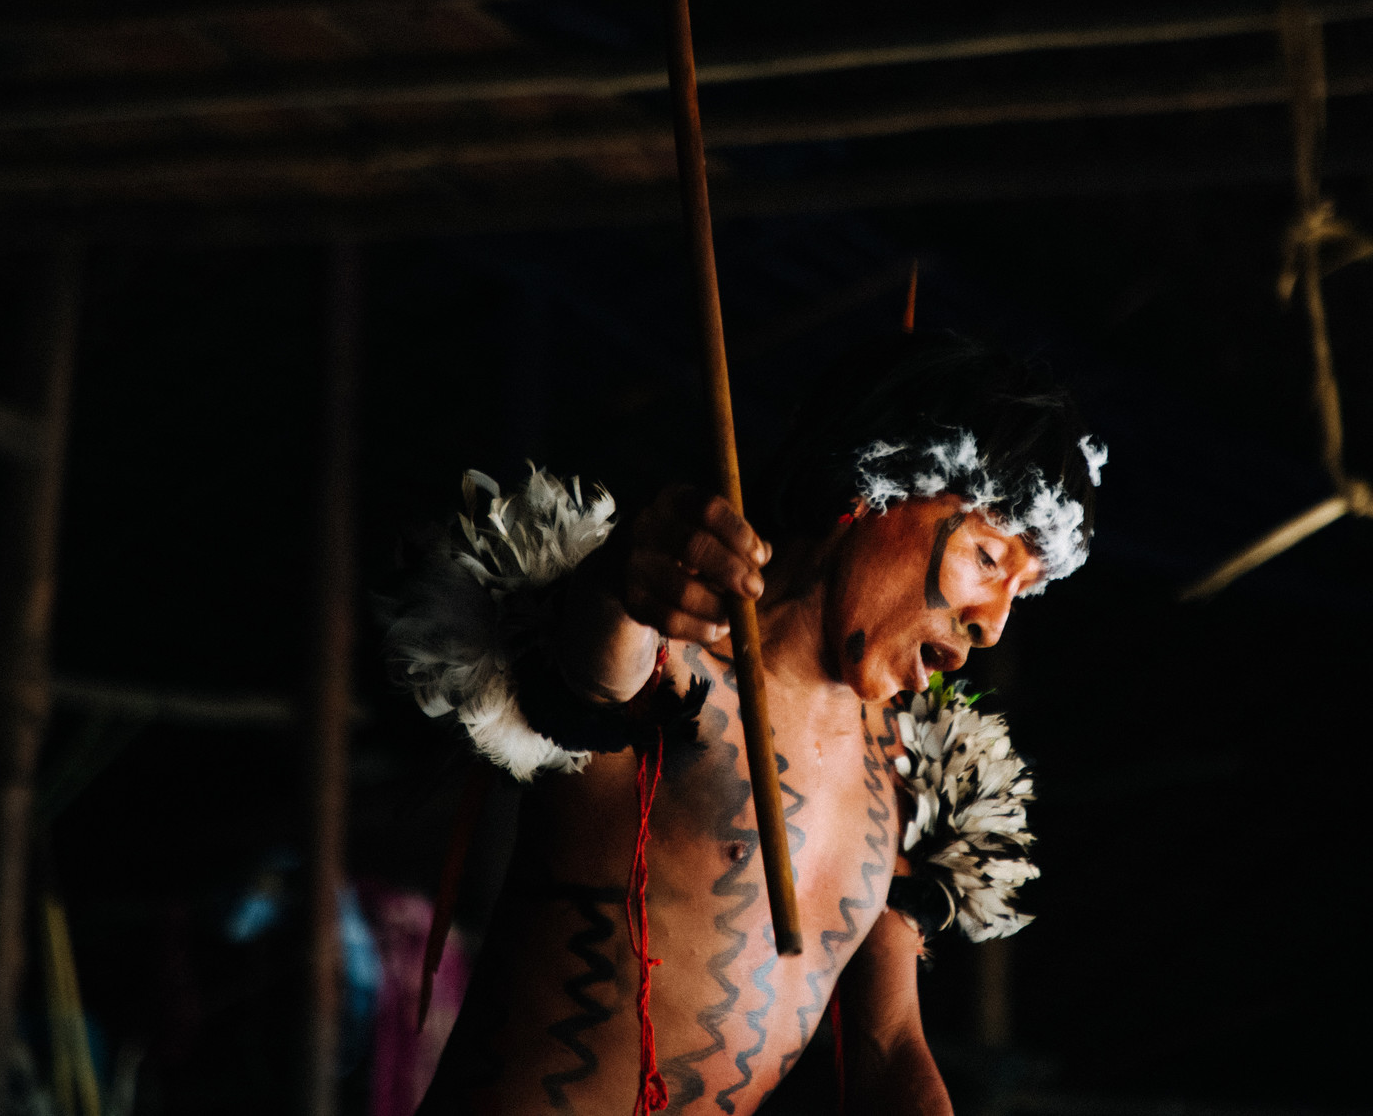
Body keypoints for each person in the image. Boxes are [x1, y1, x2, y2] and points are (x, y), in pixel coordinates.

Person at [388, 332, 1105, 1116]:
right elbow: (592, 671)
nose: (993, 624)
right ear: (879, 486)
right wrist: (625, 575)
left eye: (1020, 590)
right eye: (988, 559)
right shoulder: (673, 657)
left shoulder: (903, 761)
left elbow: (888, 1040)